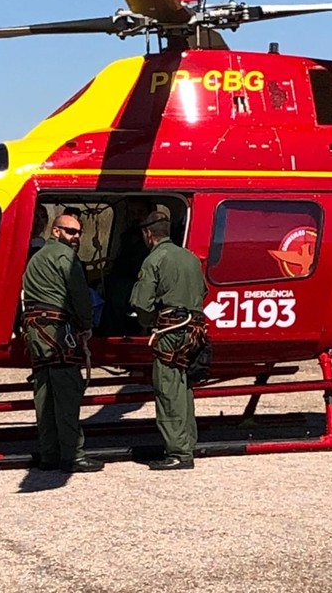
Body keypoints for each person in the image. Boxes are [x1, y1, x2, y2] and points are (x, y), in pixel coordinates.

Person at [21, 214, 104, 473]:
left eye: (78, 232)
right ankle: (72, 455)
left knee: (45, 395)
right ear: (56, 231)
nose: (76, 236)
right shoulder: (65, 257)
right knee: (67, 395)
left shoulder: (36, 258)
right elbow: (79, 296)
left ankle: (50, 454)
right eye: (70, 231)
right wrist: (87, 325)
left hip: (36, 332)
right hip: (58, 332)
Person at [129, 210, 209, 470]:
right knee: (183, 388)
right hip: (195, 331)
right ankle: (188, 443)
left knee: (168, 390)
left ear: (148, 234)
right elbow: (203, 291)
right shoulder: (190, 257)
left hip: (170, 331)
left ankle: (178, 452)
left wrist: (149, 321)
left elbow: (141, 303)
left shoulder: (154, 259)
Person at [102, 197, 155, 336]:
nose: (136, 217)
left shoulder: (152, 241)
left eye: (141, 212)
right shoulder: (128, 235)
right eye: (133, 213)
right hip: (122, 281)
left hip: (138, 283)